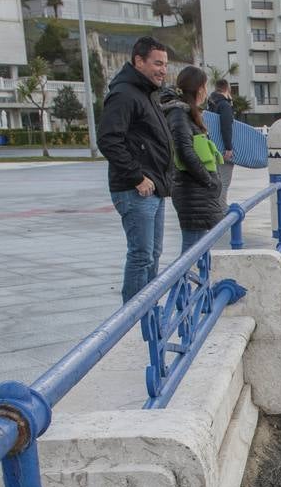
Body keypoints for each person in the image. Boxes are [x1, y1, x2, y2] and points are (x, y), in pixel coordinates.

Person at [97, 36, 173, 303]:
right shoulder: (124, 94)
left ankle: (148, 310)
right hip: (136, 189)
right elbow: (108, 139)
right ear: (138, 61)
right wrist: (137, 176)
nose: (163, 70)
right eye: (157, 63)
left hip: (154, 188)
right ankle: (132, 317)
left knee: (153, 253)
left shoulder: (146, 93)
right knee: (141, 255)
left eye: (165, 64)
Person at [162, 66, 223, 254]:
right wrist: (209, 180)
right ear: (198, 88)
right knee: (192, 249)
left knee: (199, 247)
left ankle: (196, 282)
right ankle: (186, 283)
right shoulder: (179, 114)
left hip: (198, 193)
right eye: (204, 86)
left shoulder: (188, 113)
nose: (206, 92)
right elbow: (185, 152)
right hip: (192, 193)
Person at [206, 79, 235, 207]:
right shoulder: (224, 105)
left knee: (217, 180)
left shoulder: (211, 104)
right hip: (223, 150)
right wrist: (229, 148)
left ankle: (217, 208)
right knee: (224, 182)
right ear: (227, 89)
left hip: (213, 147)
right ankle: (221, 212)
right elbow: (226, 126)